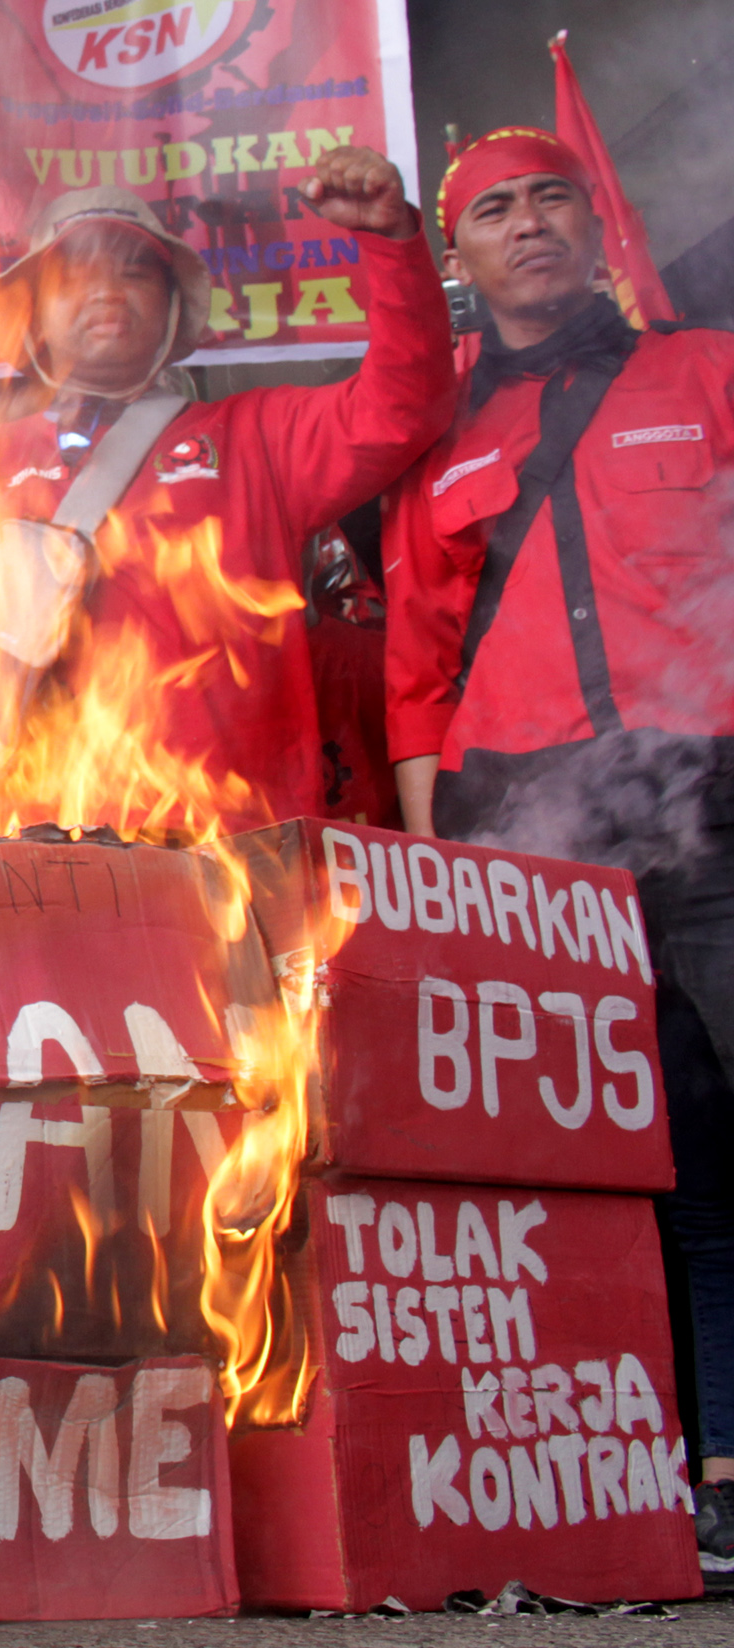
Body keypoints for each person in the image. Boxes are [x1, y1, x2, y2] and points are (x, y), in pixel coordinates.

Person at [382, 123, 734, 1557]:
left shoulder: (707, 372)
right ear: (458, 258)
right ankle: (669, 1485)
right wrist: (433, 869)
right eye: (492, 212)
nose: (527, 225)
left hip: (713, 805)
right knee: (614, 1172)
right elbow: (414, 664)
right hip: (528, 843)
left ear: (597, 223)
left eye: (551, 200)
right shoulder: (437, 436)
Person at [0, 150, 452, 829]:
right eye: (76, 272)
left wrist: (391, 245)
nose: (107, 289)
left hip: (235, 851)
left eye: (134, 271)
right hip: (34, 856)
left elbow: (405, 406)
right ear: (33, 315)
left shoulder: (259, 436)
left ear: (171, 310)